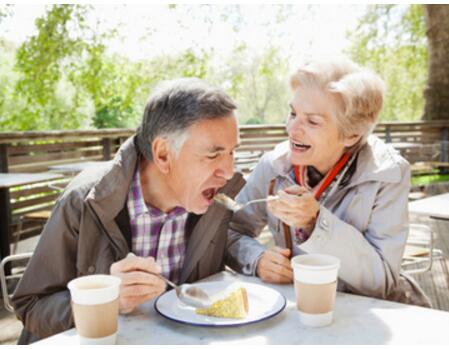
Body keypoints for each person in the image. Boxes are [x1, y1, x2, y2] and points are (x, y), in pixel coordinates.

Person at [12, 78, 245, 344]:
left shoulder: (215, 203)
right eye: (214, 155)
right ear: (163, 154)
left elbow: (237, 241)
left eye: (232, 153)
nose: (228, 172)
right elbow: (30, 305)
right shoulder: (83, 201)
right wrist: (103, 299)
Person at [226, 57, 431, 306]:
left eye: (312, 121)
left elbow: (382, 282)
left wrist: (315, 223)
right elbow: (229, 231)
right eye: (293, 113)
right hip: (304, 309)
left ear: (351, 134)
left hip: (377, 314)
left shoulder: (388, 173)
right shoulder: (273, 165)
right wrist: (256, 258)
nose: (292, 129)